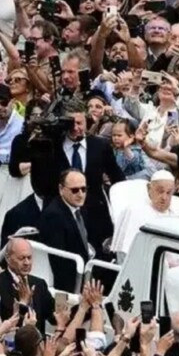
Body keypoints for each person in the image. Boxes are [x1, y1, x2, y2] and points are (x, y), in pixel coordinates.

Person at [57, 108, 125, 256]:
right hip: (64, 215)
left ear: (87, 123)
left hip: (96, 213)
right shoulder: (55, 146)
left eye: (79, 123)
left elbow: (117, 177)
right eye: (71, 123)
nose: (75, 128)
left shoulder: (100, 146)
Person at [110, 170, 179, 256]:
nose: (164, 197)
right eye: (160, 191)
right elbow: (129, 252)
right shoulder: (135, 212)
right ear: (149, 189)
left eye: (168, 193)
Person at [39, 169, 93, 293]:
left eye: (84, 189)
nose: (80, 194)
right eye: (75, 190)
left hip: (84, 275)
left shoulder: (81, 209)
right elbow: (59, 261)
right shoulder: (53, 216)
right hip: (66, 285)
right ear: (61, 189)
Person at [0, 238, 54, 333]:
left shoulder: (39, 284)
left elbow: (54, 316)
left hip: (37, 341)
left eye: (29, 258)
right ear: (8, 258)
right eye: (21, 258)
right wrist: (23, 304)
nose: (27, 263)